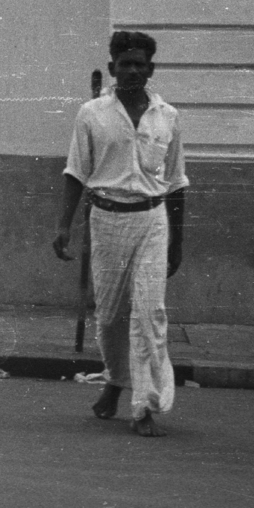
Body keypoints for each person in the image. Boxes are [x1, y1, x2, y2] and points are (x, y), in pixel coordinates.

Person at [53, 31, 188, 438]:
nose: (132, 70)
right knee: (110, 315)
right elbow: (76, 172)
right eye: (125, 64)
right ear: (112, 68)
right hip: (107, 220)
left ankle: (144, 406)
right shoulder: (91, 113)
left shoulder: (167, 116)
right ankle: (115, 380)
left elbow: (178, 182)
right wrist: (64, 225)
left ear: (151, 69)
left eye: (140, 64)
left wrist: (177, 242)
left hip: (152, 219)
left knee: (150, 314)